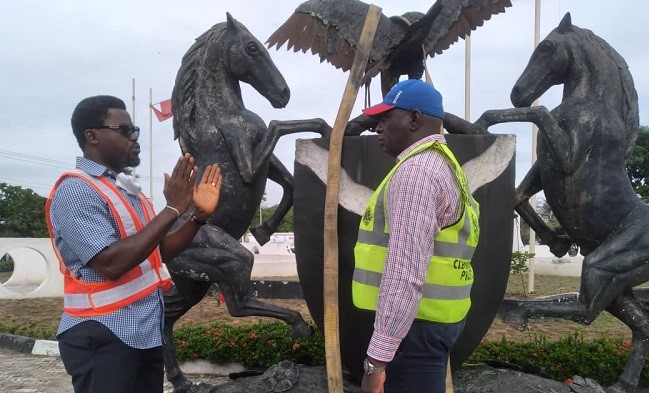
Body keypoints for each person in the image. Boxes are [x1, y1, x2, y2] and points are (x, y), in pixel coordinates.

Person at [46, 95, 222, 393]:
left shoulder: (127, 191)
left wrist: (197, 218)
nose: (135, 137)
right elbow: (111, 263)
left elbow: (159, 251)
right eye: (125, 130)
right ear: (92, 136)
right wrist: (172, 209)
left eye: (136, 129)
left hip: (143, 331)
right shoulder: (76, 190)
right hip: (102, 334)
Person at [352, 79, 480, 393]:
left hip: (413, 333)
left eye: (385, 118)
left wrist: (376, 362)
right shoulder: (445, 166)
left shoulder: (416, 174)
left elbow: (405, 272)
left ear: (414, 119)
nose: (377, 128)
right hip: (434, 324)